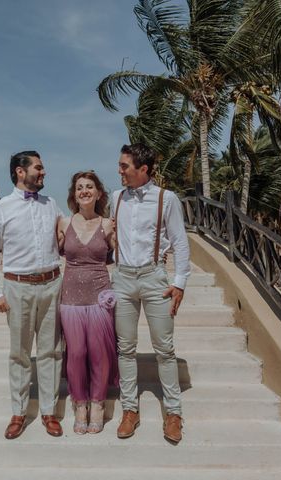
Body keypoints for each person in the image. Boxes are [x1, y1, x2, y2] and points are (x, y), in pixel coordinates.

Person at [111, 143, 191, 444]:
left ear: (143, 169)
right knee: (126, 347)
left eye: (124, 166)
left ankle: (173, 413)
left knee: (164, 348)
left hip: (154, 276)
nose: (119, 171)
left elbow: (180, 241)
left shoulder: (165, 199)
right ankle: (129, 409)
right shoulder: (116, 198)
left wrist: (180, 281)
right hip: (123, 278)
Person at [0, 150, 64, 440]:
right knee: (19, 352)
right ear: (20, 171)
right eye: (38, 168)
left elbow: (69, 236)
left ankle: (48, 411)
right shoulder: (1, 208)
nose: (43, 173)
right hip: (17, 287)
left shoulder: (52, 204)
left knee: (52, 351)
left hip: (52, 283)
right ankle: (19, 412)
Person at [57, 171, 118, 435]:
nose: (84, 191)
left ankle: (97, 403)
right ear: (73, 195)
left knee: (99, 353)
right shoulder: (62, 223)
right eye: (79, 187)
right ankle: (79, 403)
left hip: (99, 296)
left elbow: (120, 256)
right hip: (70, 298)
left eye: (89, 187)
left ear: (99, 193)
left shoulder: (108, 225)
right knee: (77, 353)